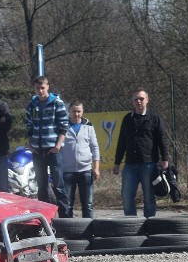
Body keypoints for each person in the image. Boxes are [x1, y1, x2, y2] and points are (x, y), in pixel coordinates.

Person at [111, 88, 170, 218]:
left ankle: (149, 226)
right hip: (130, 166)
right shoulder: (127, 119)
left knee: (149, 198)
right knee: (127, 197)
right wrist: (116, 162)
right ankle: (131, 226)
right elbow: (122, 142)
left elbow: (162, 139)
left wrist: (165, 158)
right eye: (136, 99)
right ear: (132, 101)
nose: (138, 101)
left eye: (141, 99)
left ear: (147, 100)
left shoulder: (155, 118)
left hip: (149, 164)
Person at [25, 76, 70, 216]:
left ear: (48, 87)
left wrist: (58, 145)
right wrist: (31, 145)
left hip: (53, 150)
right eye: (37, 88)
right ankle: (45, 218)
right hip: (37, 151)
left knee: (59, 186)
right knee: (42, 187)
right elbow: (29, 126)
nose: (40, 91)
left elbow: (64, 126)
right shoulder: (32, 105)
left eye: (42, 88)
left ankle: (66, 218)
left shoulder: (57, 103)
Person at [60, 100, 100, 218]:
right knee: (67, 204)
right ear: (69, 111)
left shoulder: (88, 126)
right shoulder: (63, 127)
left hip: (85, 170)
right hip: (67, 171)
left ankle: (89, 231)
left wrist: (96, 168)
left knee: (87, 203)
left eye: (79, 111)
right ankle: (67, 230)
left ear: (82, 112)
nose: (76, 114)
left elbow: (94, 147)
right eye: (74, 111)